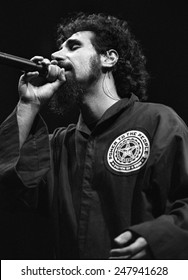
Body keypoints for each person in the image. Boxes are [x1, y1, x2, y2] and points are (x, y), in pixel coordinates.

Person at [0, 12, 188, 260]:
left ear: (108, 58)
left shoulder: (158, 121)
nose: (56, 56)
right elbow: (8, 189)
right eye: (58, 48)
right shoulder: (58, 146)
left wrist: (158, 238)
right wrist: (29, 102)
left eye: (73, 46)